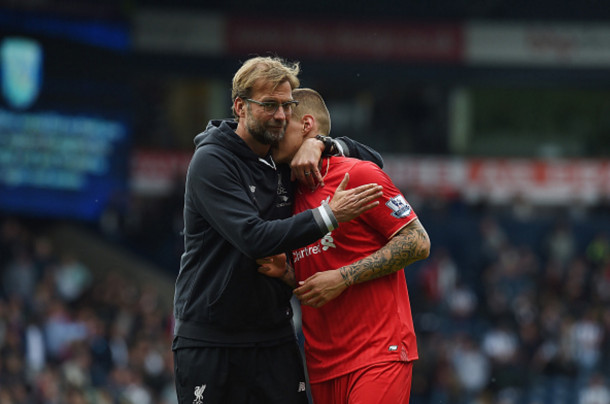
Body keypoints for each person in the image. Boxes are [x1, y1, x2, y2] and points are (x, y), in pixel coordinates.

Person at [172, 56, 386, 404]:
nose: (281, 115)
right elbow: (253, 238)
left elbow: (373, 159)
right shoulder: (211, 161)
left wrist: (322, 143)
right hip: (212, 341)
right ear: (240, 106)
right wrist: (329, 215)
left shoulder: (283, 157)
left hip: (274, 337)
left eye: (286, 106)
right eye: (269, 105)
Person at [261, 88, 431, 404]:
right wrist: (288, 273)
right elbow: (319, 266)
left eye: (280, 127)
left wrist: (345, 277)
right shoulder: (285, 196)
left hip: (378, 353)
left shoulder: (358, 173)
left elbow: (418, 242)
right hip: (322, 366)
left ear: (307, 125)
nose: (271, 136)